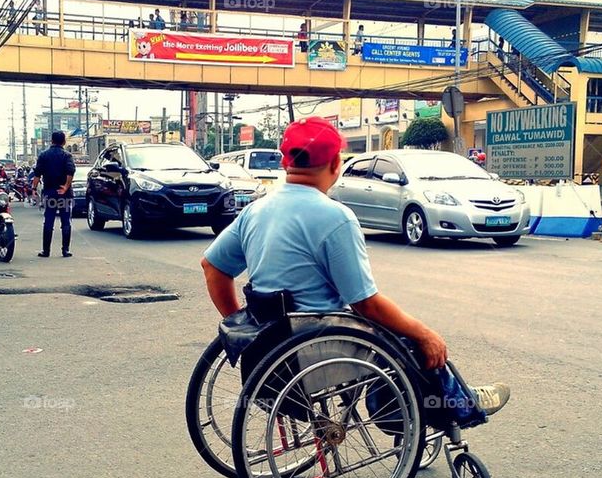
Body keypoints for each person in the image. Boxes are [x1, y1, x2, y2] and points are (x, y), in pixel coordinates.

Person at [200, 116, 510, 417]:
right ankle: (459, 404)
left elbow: (212, 268)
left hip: (271, 349)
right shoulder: (336, 217)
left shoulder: (255, 211)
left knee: (394, 333)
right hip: (320, 351)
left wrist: (245, 324)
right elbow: (366, 305)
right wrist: (426, 333)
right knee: (408, 340)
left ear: (284, 162)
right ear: (336, 164)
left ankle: (425, 407)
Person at [32, 131, 76, 258]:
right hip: (65, 194)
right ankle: (65, 250)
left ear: (51, 141)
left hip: (50, 192)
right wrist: (66, 187)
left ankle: (46, 251)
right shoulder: (67, 156)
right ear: (64, 142)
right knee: (66, 222)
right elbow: (70, 172)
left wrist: (34, 189)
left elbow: (37, 174)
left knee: (48, 221)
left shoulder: (43, 155)